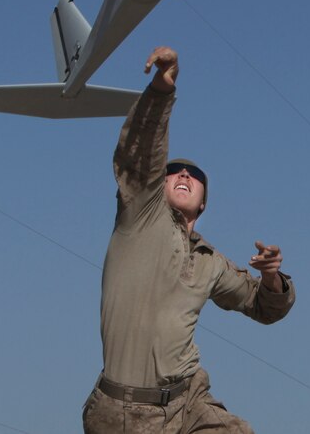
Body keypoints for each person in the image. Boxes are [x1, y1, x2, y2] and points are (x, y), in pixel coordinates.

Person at [82, 45, 295, 433]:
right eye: (174, 171)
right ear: (157, 185)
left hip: (186, 404)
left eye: (193, 175)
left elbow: (262, 306)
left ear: (203, 204)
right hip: (123, 412)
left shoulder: (208, 261)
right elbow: (141, 157)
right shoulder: (139, 215)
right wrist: (161, 92)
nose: (183, 174)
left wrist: (270, 277)